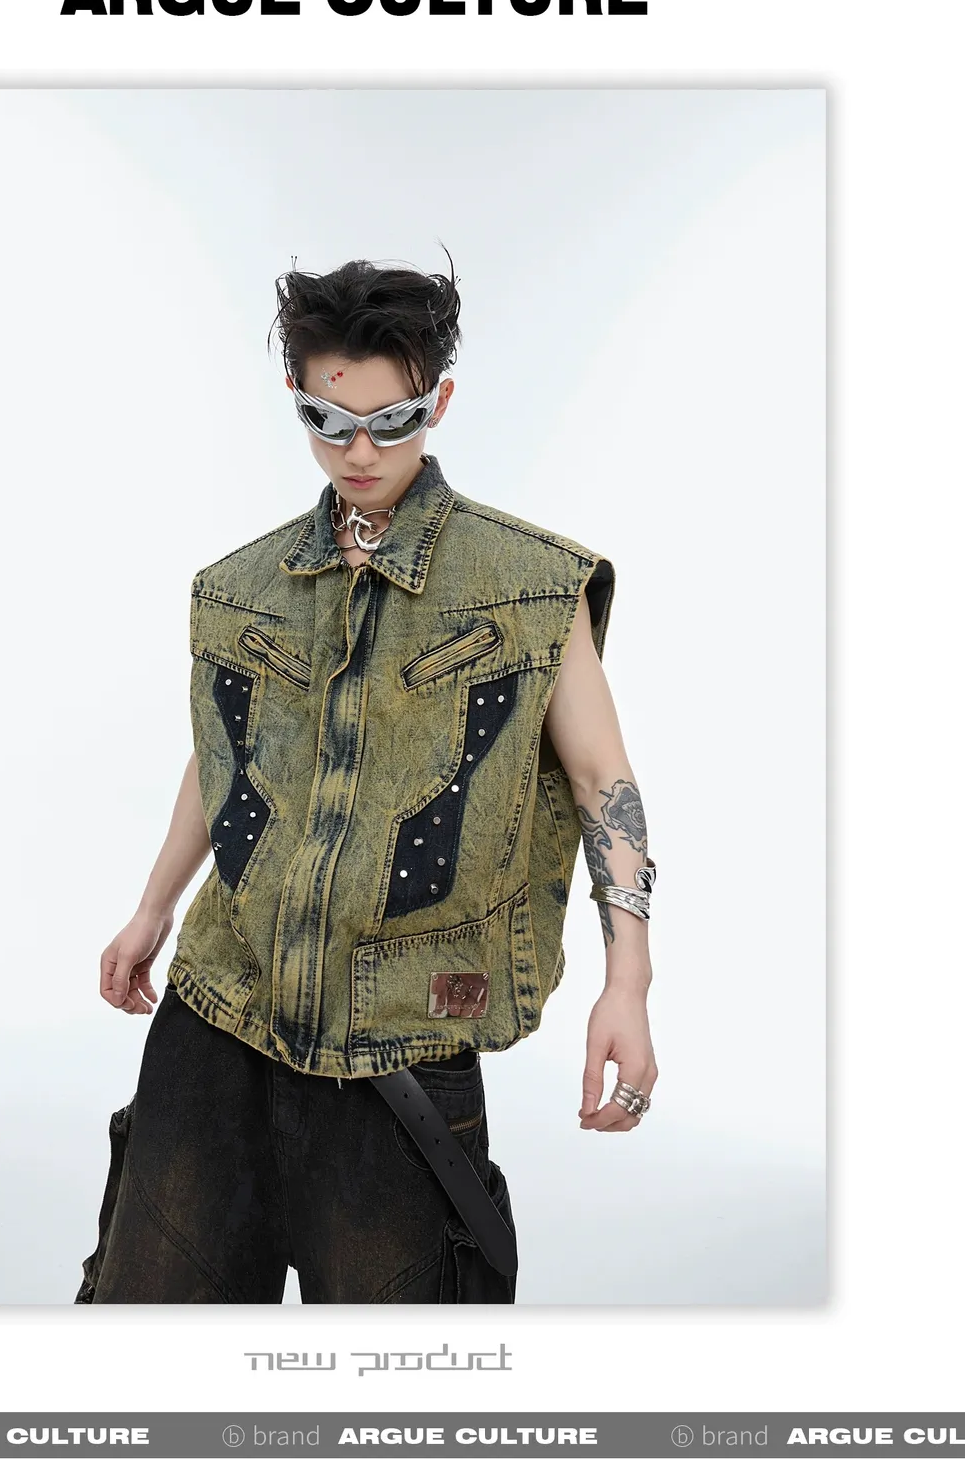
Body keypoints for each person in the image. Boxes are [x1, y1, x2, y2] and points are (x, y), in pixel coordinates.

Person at [75, 253, 658, 1304]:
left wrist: (629, 982)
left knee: (399, 1369)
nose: (359, 451)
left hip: (402, 1046)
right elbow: (226, 758)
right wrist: (151, 909)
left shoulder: (531, 586)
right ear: (295, 399)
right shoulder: (241, 585)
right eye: (327, 420)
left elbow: (601, 780)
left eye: (392, 423)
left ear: (439, 402)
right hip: (217, 1022)